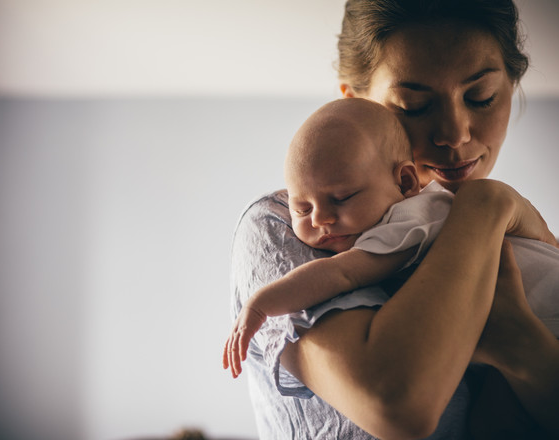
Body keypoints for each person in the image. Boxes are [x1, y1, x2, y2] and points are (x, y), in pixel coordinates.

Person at [228, 1, 559, 439]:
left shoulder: (516, 241)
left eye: (482, 97)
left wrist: (520, 344)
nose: (456, 134)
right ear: (358, 105)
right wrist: (486, 205)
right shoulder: (288, 225)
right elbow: (397, 405)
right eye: (414, 105)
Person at [223, 98, 559, 380]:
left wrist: (261, 304)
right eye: (301, 208)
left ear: (405, 182)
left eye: (343, 197)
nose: (321, 218)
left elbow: (341, 273)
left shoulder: (413, 217)